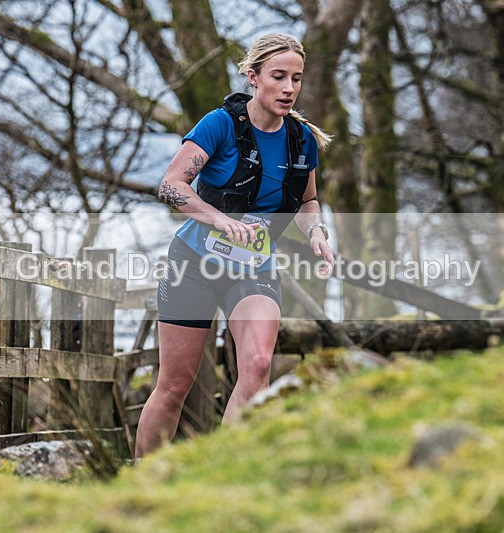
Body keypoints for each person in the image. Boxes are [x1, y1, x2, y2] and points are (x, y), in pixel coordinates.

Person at [135, 33, 335, 458]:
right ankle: (142, 483)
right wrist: (221, 220)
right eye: (278, 76)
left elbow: (307, 200)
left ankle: (223, 469)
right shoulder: (220, 124)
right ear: (252, 76)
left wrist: (317, 232)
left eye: (296, 79)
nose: (289, 88)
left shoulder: (302, 140)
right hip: (194, 265)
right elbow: (171, 186)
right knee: (174, 386)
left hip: (255, 267)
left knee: (259, 367)